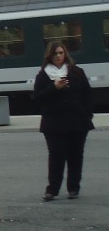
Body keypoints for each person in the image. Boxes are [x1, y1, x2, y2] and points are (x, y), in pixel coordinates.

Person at [30, 41, 93, 201]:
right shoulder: (43, 75)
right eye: (55, 54)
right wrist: (54, 87)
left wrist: (87, 114)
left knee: (76, 155)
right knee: (56, 155)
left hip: (78, 121)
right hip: (54, 123)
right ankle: (52, 190)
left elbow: (87, 94)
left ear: (65, 54)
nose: (58, 56)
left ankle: (73, 188)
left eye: (61, 53)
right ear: (49, 56)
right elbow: (37, 98)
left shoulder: (77, 71)